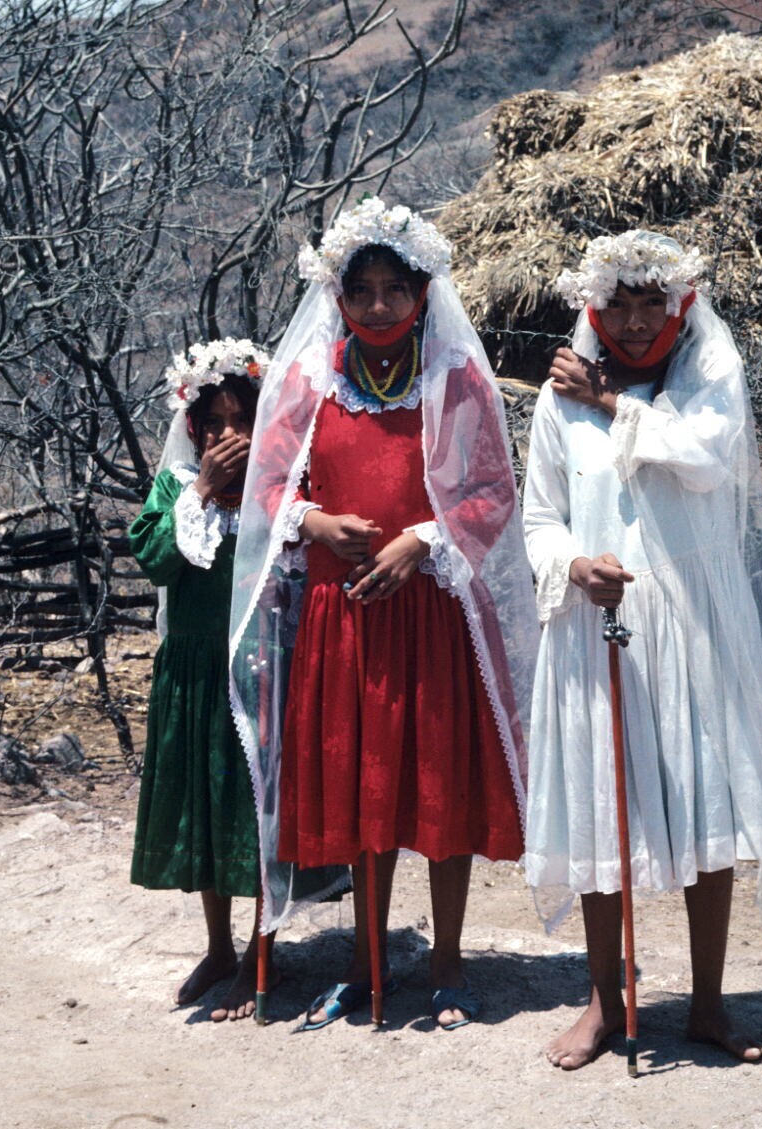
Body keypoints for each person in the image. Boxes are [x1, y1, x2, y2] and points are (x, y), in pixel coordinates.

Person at [227, 197, 538, 1032]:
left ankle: (447, 965)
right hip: (344, 619)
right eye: (359, 290)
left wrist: (421, 543)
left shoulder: (455, 379)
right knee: (365, 791)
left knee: (438, 789)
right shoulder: (309, 381)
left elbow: (491, 492)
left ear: (422, 293)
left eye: (393, 289)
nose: (376, 306)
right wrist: (317, 523)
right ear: (337, 295)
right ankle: (365, 963)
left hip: (430, 615)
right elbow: (266, 488)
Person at [521, 231, 762, 1069]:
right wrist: (575, 566)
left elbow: (704, 459)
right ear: (593, 310)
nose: (636, 320)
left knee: (704, 807)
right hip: (595, 628)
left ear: (681, 306)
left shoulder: (705, 385)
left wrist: (612, 399)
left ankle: (707, 1002)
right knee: (599, 807)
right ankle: (604, 1001)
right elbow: (538, 518)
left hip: (689, 625)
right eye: (619, 304)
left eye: (653, 302)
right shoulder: (557, 404)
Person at [128, 339, 271, 1022]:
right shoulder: (176, 490)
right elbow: (156, 559)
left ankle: (262, 954)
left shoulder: (278, 489)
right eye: (212, 423)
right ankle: (219, 946)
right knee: (210, 811)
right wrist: (204, 490)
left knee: (257, 810)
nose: (227, 435)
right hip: (194, 672)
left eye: (241, 420)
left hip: (260, 670)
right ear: (192, 429)